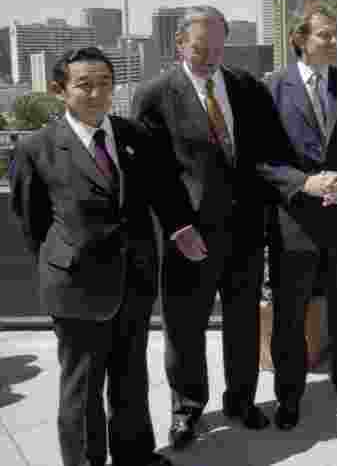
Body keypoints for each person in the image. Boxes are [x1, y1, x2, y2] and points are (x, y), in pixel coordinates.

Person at [10, 47, 206, 466]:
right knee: (81, 387)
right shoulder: (36, 148)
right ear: (59, 89)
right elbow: (34, 224)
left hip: (133, 279)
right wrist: (64, 264)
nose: (97, 93)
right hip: (76, 286)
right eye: (84, 84)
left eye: (104, 83)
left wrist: (181, 228)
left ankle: (135, 456)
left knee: (130, 377)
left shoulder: (136, 136)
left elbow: (165, 192)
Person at [132, 5, 278, 448]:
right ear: (179, 44)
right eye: (202, 46)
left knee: (242, 325)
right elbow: (152, 174)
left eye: (219, 45)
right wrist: (178, 226)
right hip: (187, 236)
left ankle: (241, 400)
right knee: (184, 330)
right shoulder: (154, 94)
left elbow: (267, 154)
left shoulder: (246, 86)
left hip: (246, 233)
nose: (212, 54)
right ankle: (187, 410)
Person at [258, 5, 337, 425]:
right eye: (323, 35)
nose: (332, 42)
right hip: (296, 222)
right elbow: (260, 158)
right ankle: (288, 397)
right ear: (299, 40)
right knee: (290, 316)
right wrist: (304, 183)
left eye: (334, 35)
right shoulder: (272, 87)